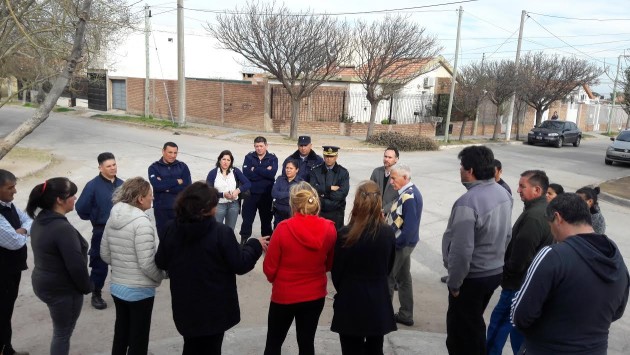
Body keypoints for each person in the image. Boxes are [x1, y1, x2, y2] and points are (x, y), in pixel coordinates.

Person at [155, 182, 267, 355]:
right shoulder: (220, 232)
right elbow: (240, 264)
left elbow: (161, 261)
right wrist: (254, 245)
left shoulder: (171, 228)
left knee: (191, 346)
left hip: (185, 305)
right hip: (214, 308)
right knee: (212, 348)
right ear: (206, 209)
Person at [511, 193, 629, 354]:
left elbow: (520, 315)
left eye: (550, 224)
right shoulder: (615, 256)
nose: (552, 232)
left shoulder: (552, 255)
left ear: (558, 218)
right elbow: (617, 311)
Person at [441, 146, 512, 355]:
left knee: (461, 335)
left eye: (461, 167)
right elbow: (507, 236)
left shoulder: (468, 202)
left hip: (472, 277)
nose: (460, 171)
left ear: (469, 170)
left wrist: (454, 283)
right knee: (473, 324)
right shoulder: (503, 193)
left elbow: (462, 250)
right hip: (493, 271)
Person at [263, 181, 337, 355]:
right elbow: (329, 263)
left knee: (273, 343)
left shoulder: (283, 229)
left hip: (285, 295)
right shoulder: (329, 228)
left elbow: (269, 269)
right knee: (306, 343)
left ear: (293, 203)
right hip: (314, 294)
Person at [487, 170, 553, 355]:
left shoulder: (534, 217)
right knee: (518, 331)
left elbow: (520, 258)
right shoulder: (541, 211)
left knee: (498, 325)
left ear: (537, 189)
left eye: (522, 186)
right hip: (527, 285)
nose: (518, 190)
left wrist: (506, 275)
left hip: (516, 285)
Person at [100, 177, 165, 355]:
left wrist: (123, 265)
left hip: (117, 287)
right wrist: (160, 276)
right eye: (150, 195)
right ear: (140, 199)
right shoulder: (142, 223)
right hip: (139, 291)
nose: (153, 198)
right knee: (139, 338)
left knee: (121, 332)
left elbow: (105, 254)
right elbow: (146, 263)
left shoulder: (113, 217)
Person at [331, 181, 397, 355]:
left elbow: (337, 272)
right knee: (376, 349)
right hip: (377, 300)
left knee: (350, 349)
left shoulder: (345, 234)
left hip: (350, 299)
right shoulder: (388, 233)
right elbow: (388, 267)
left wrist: (346, 288)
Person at [27, 178, 91, 355]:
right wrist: (87, 286)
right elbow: (75, 265)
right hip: (61, 290)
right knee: (62, 334)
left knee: (61, 331)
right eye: (72, 195)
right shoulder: (62, 228)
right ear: (59, 200)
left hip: (43, 282)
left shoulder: (42, 219)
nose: (76, 198)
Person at [75, 152, 123, 310]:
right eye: (109, 166)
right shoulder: (92, 185)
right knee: (99, 263)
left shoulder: (123, 184)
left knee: (121, 262)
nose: (112, 168)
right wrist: (95, 217)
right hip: (101, 231)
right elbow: (81, 208)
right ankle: (96, 293)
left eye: (114, 164)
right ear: (100, 168)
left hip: (122, 230)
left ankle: (121, 292)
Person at [386, 164, 423, 327]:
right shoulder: (407, 193)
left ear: (405, 178)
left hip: (402, 244)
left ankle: (383, 314)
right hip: (403, 243)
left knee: (388, 277)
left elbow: (410, 228)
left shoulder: (409, 196)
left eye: (394, 178)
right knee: (404, 278)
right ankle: (406, 314)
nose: (391, 181)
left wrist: (397, 244)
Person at [0, 169, 32, 355]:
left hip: (12, 270)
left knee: (6, 312)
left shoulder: (8, 205)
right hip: (3, 272)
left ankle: (7, 349)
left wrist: (22, 230)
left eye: (15, 186)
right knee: (2, 313)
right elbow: (13, 242)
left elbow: (28, 219)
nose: (15, 191)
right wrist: (22, 232)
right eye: (9, 187)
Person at [148, 142, 192, 240]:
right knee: (164, 239)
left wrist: (165, 186)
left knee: (181, 240)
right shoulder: (154, 168)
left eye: (175, 153)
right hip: (161, 210)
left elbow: (187, 187)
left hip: (180, 209)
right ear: (163, 151)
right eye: (170, 152)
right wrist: (177, 181)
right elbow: (157, 186)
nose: (173, 156)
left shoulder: (183, 166)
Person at [240, 136, 278, 245]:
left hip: (266, 195)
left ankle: (267, 244)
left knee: (266, 221)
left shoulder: (272, 158)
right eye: (257, 146)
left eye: (261, 146)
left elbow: (271, 174)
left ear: (266, 146)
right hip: (250, 194)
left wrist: (255, 169)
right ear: (254, 146)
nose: (259, 148)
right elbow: (246, 174)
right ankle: (243, 242)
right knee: (247, 220)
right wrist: (264, 172)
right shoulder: (249, 157)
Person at [206, 150, 251, 231]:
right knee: (215, 230)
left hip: (233, 205)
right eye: (224, 159)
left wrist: (238, 190)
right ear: (219, 160)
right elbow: (208, 191)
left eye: (228, 160)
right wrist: (223, 194)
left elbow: (248, 183)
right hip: (218, 205)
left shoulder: (235, 171)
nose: (225, 162)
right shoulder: (213, 173)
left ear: (231, 162)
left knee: (229, 230)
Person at [308, 146, 350, 229]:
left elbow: (342, 193)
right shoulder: (315, 171)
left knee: (336, 238)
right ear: (323, 156)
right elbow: (312, 190)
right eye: (327, 156)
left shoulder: (343, 172)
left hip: (336, 213)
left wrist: (323, 194)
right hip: (320, 212)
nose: (329, 159)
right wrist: (329, 188)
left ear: (336, 157)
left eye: (331, 156)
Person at [271, 159, 301, 228]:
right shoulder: (280, 179)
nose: (288, 170)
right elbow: (274, 194)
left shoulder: (300, 183)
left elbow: (298, 198)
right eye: (287, 168)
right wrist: (290, 194)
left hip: (292, 215)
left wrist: (281, 195)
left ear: (297, 170)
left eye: (291, 168)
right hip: (279, 214)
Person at [369, 147, 400, 213]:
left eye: (390, 157)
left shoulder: (400, 175)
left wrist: (384, 210)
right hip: (375, 212)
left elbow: (400, 198)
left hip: (391, 214)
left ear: (396, 159)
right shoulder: (376, 171)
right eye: (385, 156)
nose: (386, 159)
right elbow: (369, 191)